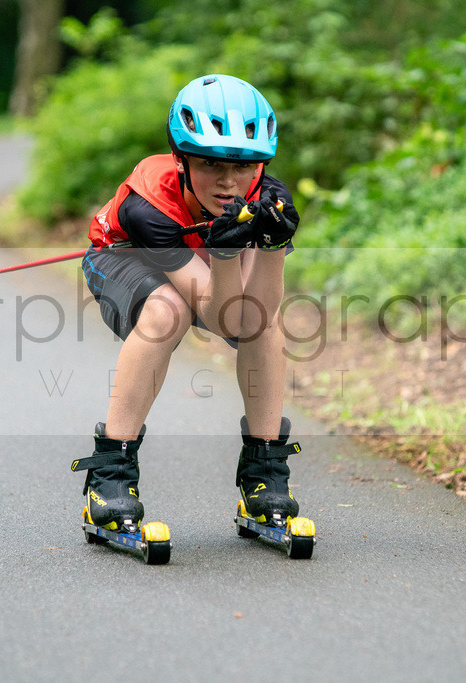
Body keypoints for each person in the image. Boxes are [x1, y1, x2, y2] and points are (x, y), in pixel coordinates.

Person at [74, 74, 304, 535]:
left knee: (268, 322)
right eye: (210, 163)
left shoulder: (268, 197)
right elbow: (220, 316)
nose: (229, 181)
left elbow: (247, 320)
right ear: (181, 160)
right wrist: (224, 253)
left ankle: (265, 472)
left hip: (201, 261)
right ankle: (110, 474)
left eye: (244, 166)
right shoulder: (148, 205)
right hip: (124, 255)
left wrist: (273, 246)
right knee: (167, 312)